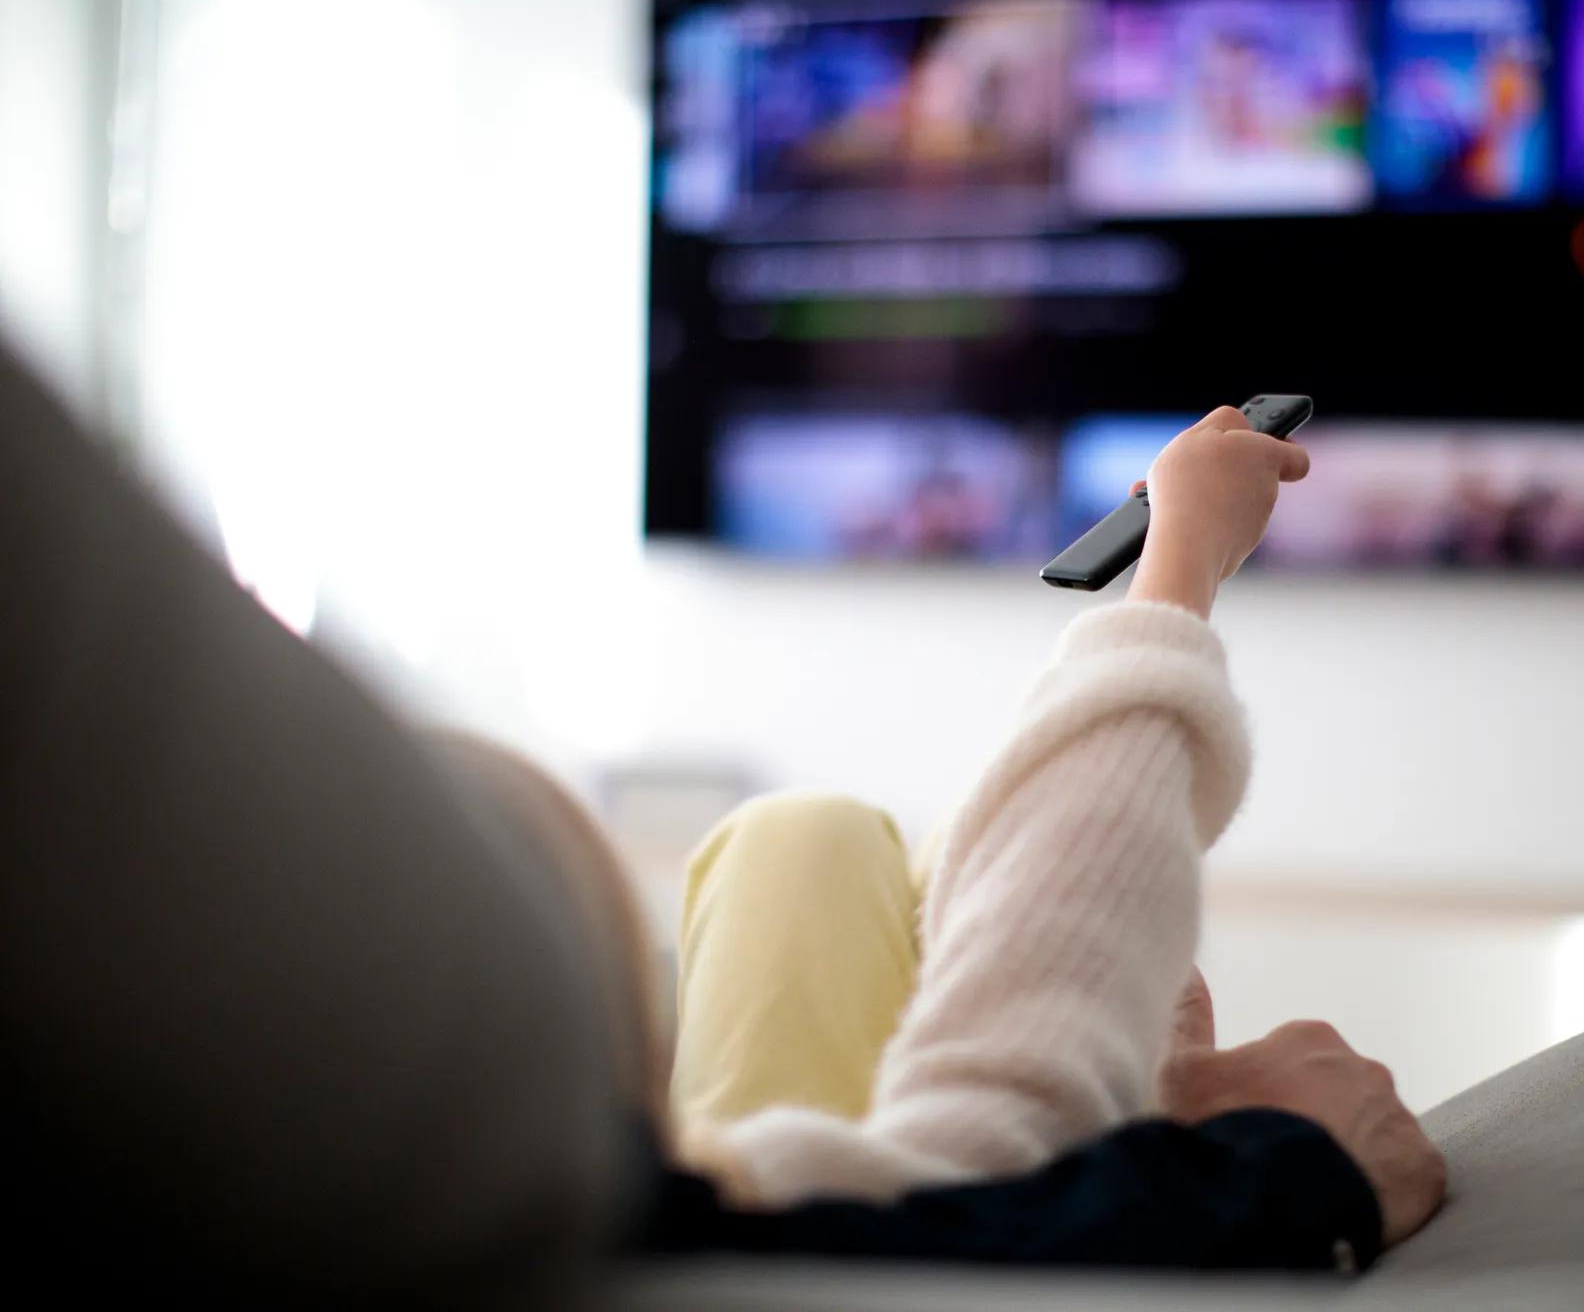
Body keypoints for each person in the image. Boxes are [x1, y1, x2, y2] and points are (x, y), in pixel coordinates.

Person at [0, 341, 1442, 1306]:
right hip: (710, 1168)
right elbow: (1004, 1133)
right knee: (813, 848)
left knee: (801, 835)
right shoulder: (565, 1217)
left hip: (679, 1158)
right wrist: (1179, 565)